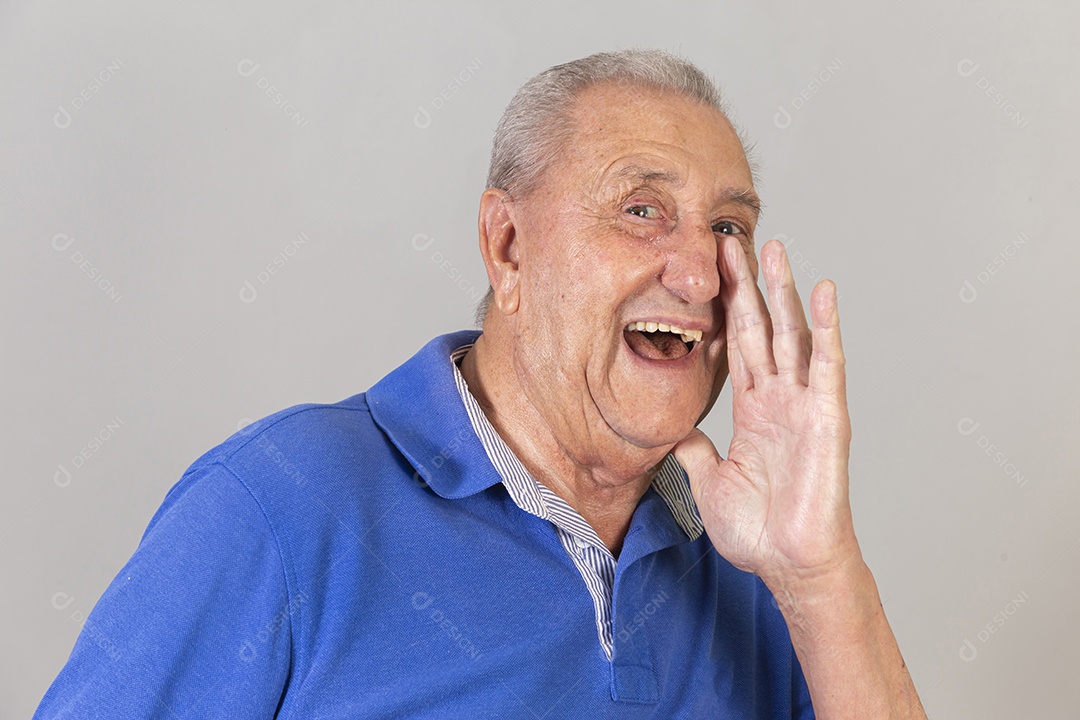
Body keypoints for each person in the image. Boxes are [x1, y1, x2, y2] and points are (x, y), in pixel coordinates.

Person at [35, 49, 927, 718]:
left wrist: (819, 575)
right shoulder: (280, 504)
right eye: (641, 210)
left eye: (728, 227)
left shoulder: (756, 566)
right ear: (508, 249)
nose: (699, 274)